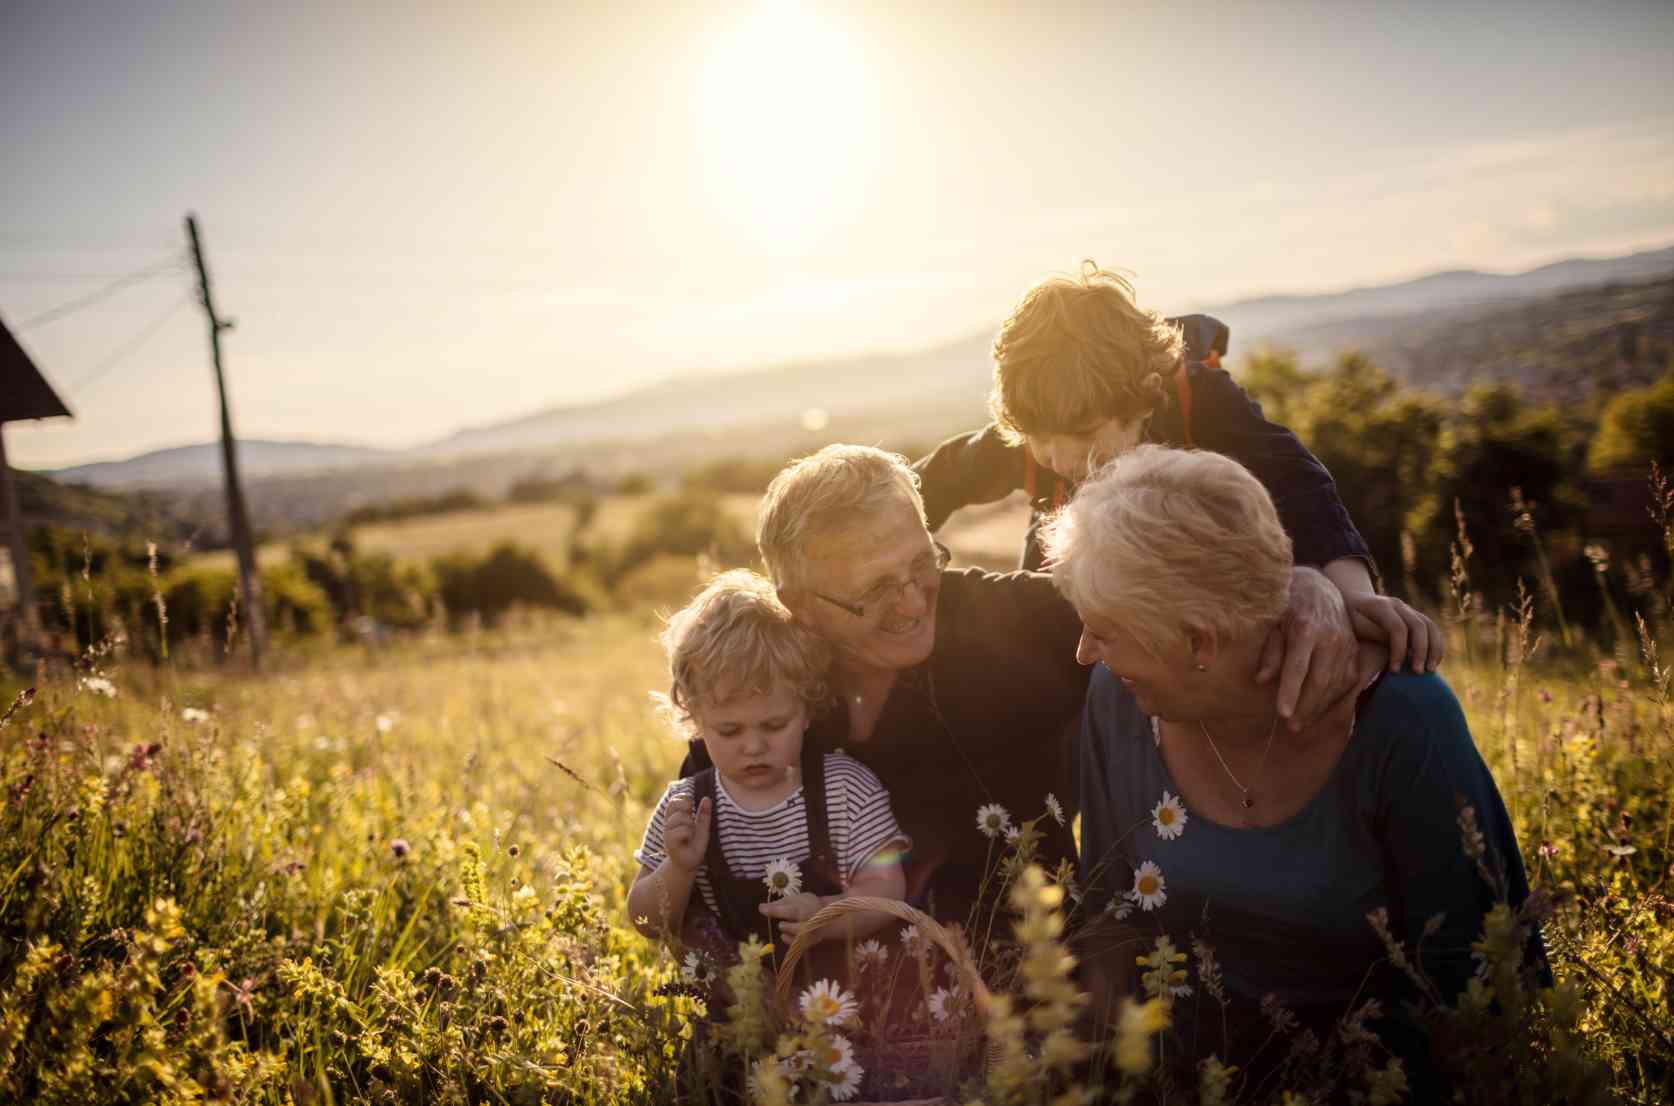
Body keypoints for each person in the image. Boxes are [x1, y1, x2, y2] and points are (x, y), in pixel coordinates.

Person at [679, 445, 1411, 929]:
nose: (910, 601)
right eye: (872, 592)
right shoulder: (767, 688)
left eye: (919, 563)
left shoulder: (1010, 622)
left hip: (1045, 983)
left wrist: (1304, 586)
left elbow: (1184, 591)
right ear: (799, 604)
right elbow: (698, 835)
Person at [1040, 445, 1541, 1082]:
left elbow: (1481, 987)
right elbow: (1110, 928)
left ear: (1198, 640)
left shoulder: (1405, 722)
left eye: (1104, 631)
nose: (1086, 653)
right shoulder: (1119, 699)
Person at [915, 263, 1441, 671]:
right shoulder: (1044, 425)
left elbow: (1301, 485)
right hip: (1064, 599)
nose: (1056, 457)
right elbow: (931, 481)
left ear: (1145, 398)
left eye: (1081, 437)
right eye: (1036, 438)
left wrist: (1354, 596)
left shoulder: (1202, 401)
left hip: (1181, 597)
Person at [629, 570, 909, 961]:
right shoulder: (686, 807)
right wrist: (677, 869)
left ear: (807, 710)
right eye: (729, 731)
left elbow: (887, 887)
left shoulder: (845, 790)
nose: (754, 746)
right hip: (732, 1005)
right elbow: (645, 922)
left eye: (775, 725)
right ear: (695, 718)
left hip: (833, 998)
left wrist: (827, 917)